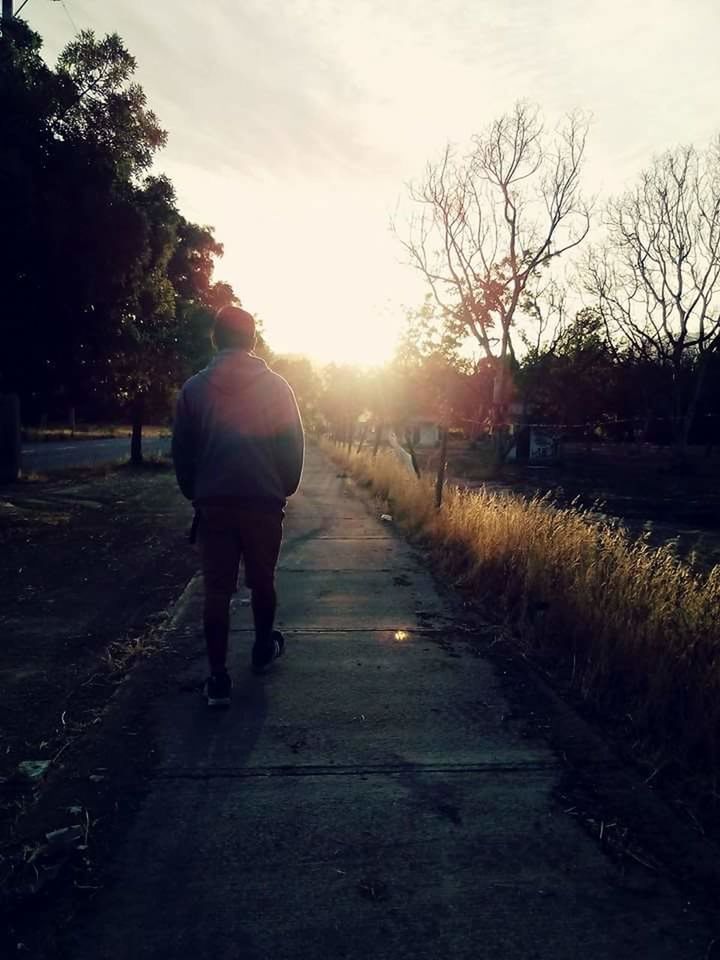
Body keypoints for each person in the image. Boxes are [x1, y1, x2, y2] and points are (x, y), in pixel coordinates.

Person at [172, 305, 304, 706]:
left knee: (216, 591)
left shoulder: (194, 389)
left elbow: (182, 452)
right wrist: (283, 486)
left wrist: (196, 491)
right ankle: (262, 651)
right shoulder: (278, 387)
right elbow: (293, 446)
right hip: (263, 503)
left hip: (214, 504)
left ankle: (217, 679)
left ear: (215, 338)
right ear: (252, 340)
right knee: (262, 581)